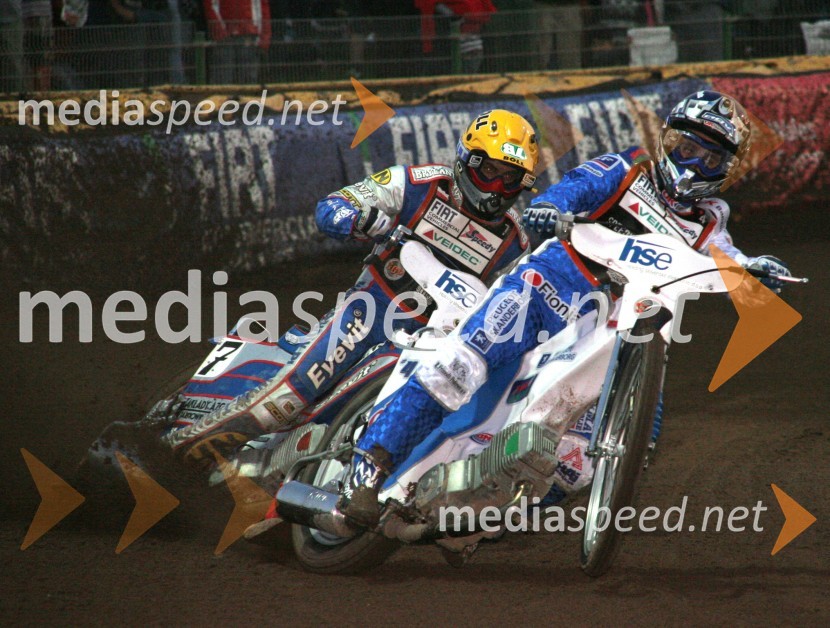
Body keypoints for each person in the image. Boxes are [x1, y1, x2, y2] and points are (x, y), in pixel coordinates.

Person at [339, 90, 793, 527]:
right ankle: (369, 467)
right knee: (458, 368)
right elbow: (572, 189)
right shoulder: (628, 168)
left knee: (599, 453)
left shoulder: (711, 218)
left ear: (726, 169)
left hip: (615, 324)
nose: (693, 162)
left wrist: (756, 269)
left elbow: (726, 256)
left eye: (709, 157)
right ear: (667, 138)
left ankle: (490, 520)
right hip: (547, 287)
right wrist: (549, 209)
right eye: (686, 146)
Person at [163, 109, 540, 463]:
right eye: (490, 170)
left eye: (510, 179)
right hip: (368, 314)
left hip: (430, 346)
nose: (496, 187)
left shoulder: (514, 242)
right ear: (467, 159)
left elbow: (511, 307)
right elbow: (333, 205)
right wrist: (360, 218)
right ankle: (169, 451)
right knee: (287, 400)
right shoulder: (413, 184)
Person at [204, 0, 271, 85]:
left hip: (247, 34)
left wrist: (264, 37)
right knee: (224, 77)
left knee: (245, 78)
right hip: (232, 35)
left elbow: (262, 6)